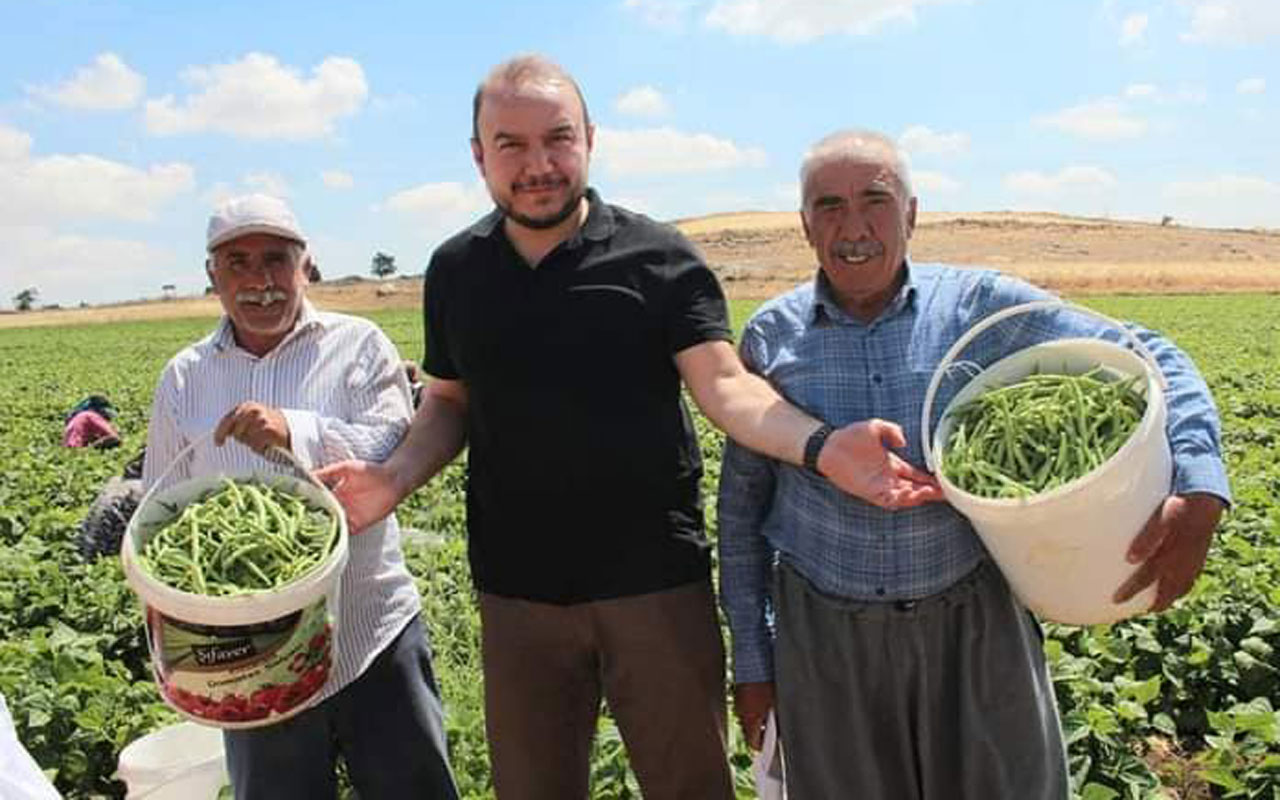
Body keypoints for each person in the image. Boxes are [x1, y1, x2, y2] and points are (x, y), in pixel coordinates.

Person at [316, 57, 936, 800]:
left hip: (653, 587)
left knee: (690, 787)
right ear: (479, 154)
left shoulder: (657, 258)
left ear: (590, 140)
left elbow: (726, 384)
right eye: (510, 144)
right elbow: (450, 403)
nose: (538, 164)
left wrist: (824, 446)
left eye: (558, 138)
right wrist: (391, 478)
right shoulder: (457, 270)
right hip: (518, 594)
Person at [716, 129, 1231, 798]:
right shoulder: (771, 335)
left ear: (912, 213)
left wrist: (1199, 484)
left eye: (875, 199)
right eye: (829, 205)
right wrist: (753, 663)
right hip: (826, 638)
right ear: (805, 225)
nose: (854, 226)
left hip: (973, 623)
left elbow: (1149, 351)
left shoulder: (978, 308)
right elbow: (740, 513)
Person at [142, 194, 458, 800]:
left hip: (373, 631)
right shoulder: (185, 376)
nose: (260, 281)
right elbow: (162, 506)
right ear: (212, 277)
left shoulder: (359, 344)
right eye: (237, 263)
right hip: (252, 658)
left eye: (276, 260)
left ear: (305, 265)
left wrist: (297, 430)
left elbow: (394, 442)